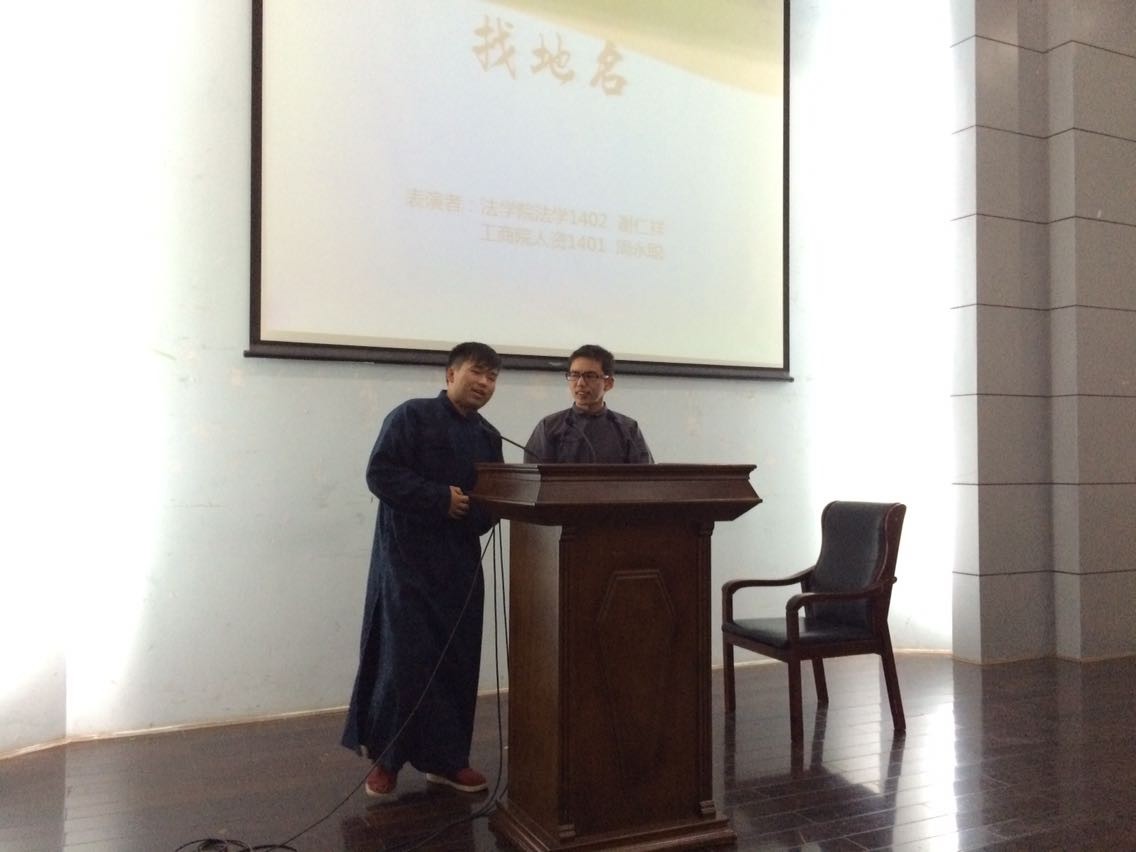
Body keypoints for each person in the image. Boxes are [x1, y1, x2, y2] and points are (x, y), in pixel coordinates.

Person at [341, 342, 504, 798]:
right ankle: (386, 760)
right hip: (405, 561)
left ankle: (448, 761)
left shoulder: (489, 436)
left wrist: (474, 511)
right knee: (403, 661)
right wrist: (439, 499)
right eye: (477, 372)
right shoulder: (410, 416)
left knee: (457, 660)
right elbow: (380, 473)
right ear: (450, 374)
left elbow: (492, 499)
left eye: (492, 377)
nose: (484, 383)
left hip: (460, 564)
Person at [524, 344, 654, 463]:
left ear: (608, 383)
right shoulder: (549, 426)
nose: (580, 383)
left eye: (590, 376)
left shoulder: (628, 429)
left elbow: (647, 476)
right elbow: (532, 476)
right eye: (574, 375)